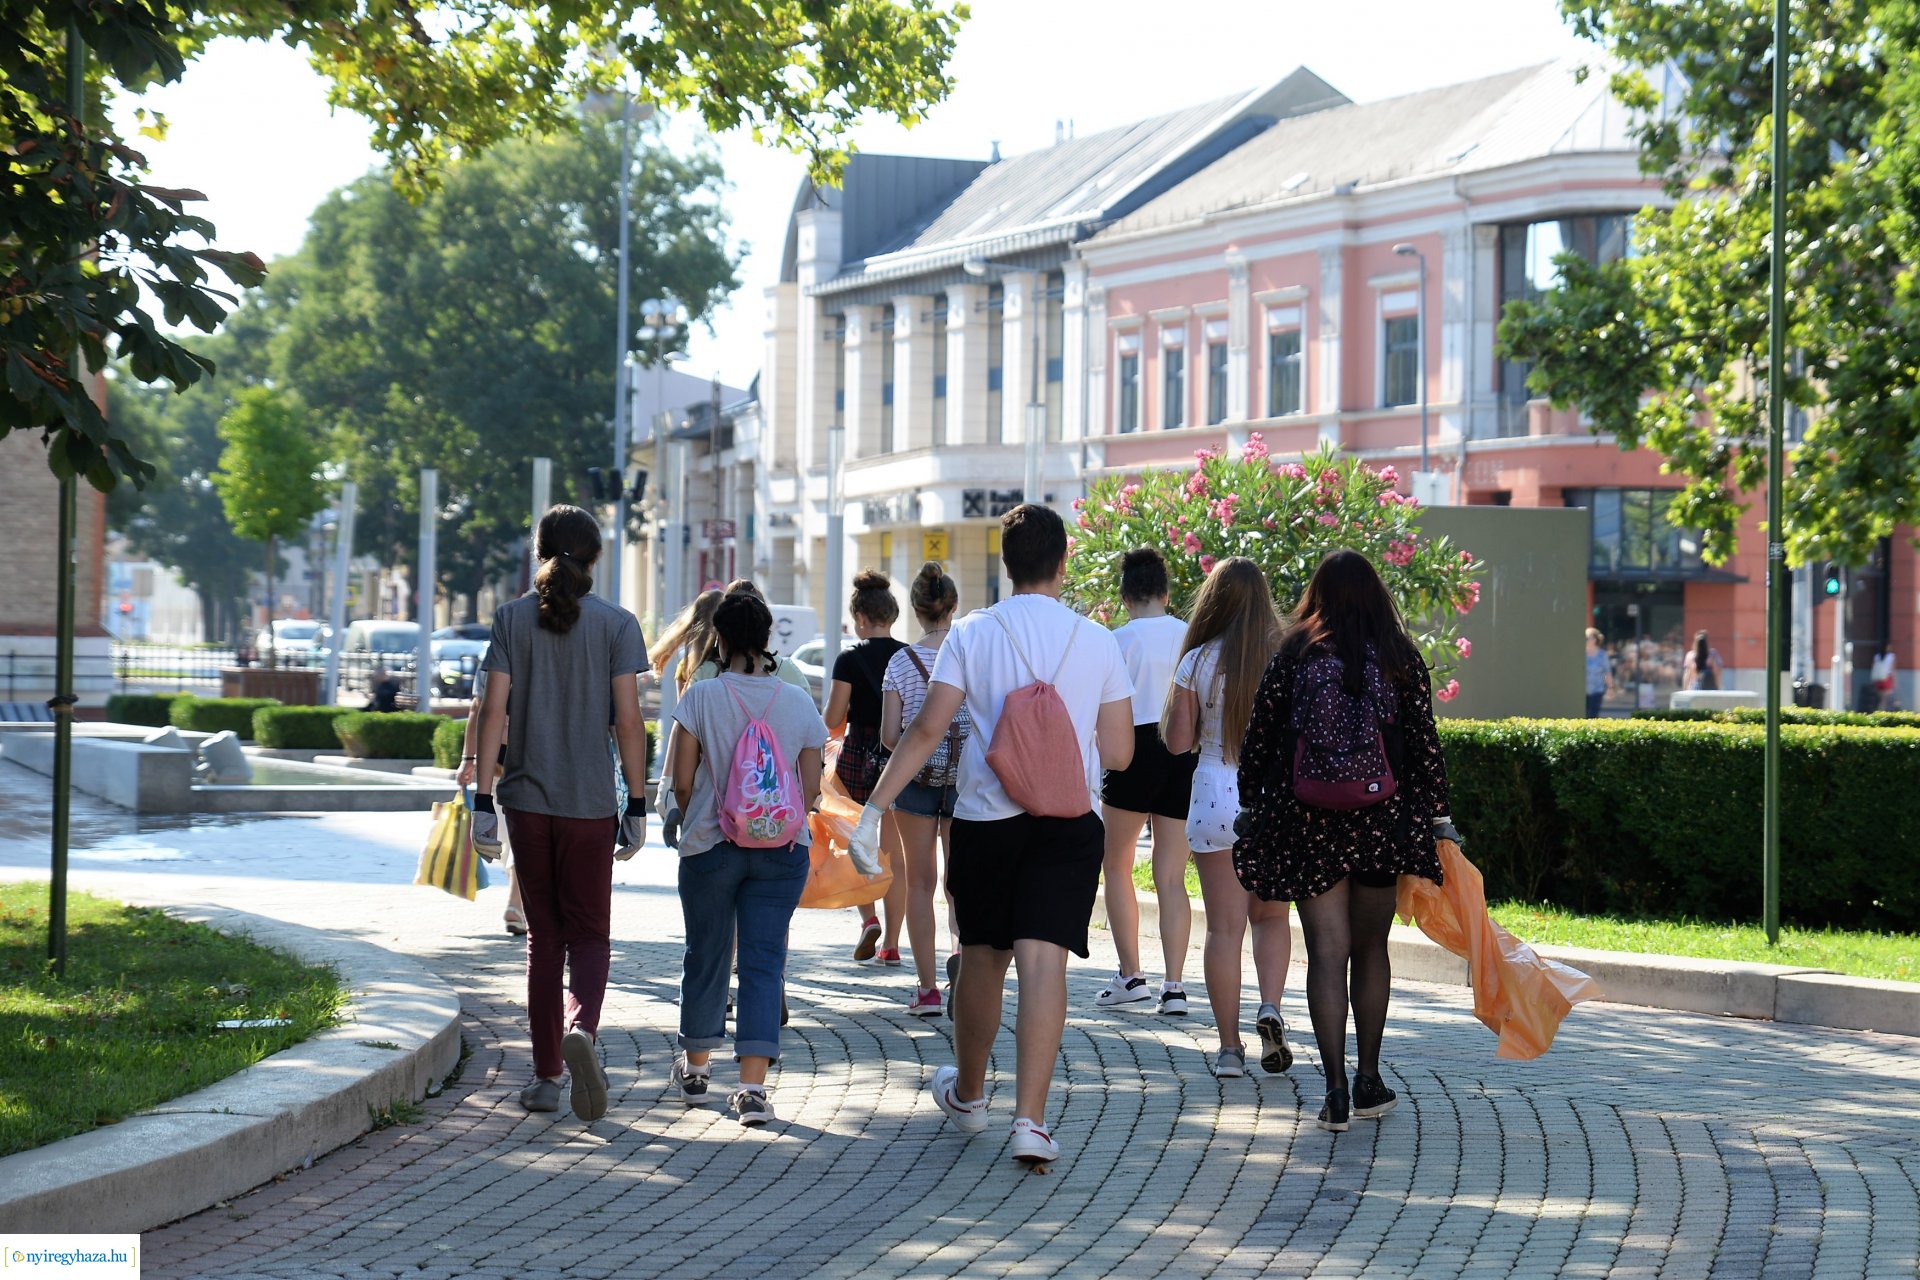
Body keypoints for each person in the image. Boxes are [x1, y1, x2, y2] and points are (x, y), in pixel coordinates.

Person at [851, 504, 1134, 1166]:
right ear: (1064, 563)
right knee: (1045, 964)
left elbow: (925, 732)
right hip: (1070, 824)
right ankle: (1031, 1120)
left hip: (985, 819)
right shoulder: (1097, 640)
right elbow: (1119, 752)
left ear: (1005, 565)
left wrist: (873, 811)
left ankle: (970, 1096)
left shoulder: (974, 632)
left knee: (982, 956)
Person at [1233, 550, 1456, 1133]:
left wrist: (1254, 803)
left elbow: (1259, 739)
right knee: (1370, 951)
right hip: (1382, 819)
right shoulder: (1399, 657)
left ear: (1318, 593)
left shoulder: (1295, 654)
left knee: (1326, 954)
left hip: (1309, 822)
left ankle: (1332, 1093)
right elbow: (1425, 745)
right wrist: (1437, 816)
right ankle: (1368, 1080)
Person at [473, 505, 649, 1122]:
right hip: (592, 805)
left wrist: (481, 802)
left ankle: (547, 1077)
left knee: (544, 941)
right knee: (591, 935)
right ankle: (585, 1031)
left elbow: (493, 713)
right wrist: (639, 803)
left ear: (538, 552)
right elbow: (629, 721)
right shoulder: (618, 625)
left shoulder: (511, 619)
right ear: (596, 558)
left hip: (525, 801)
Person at [667, 592, 828, 1127]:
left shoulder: (702, 696)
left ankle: (695, 1072)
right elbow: (809, 792)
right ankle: (753, 1091)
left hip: (712, 847)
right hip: (781, 852)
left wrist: (702, 817)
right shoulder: (798, 702)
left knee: (707, 954)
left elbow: (683, 781)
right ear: (767, 639)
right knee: (763, 964)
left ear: (721, 638)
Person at [1162, 557, 1292, 1079]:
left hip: (1216, 793)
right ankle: (1271, 1008)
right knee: (1273, 918)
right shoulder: (1286, 654)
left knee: (1224, 930)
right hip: (1274, 802)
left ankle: (1229, 1050)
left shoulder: (1196, 660)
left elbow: (1176, 744)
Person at [1094, 548, 1197, 1016]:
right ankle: (1174, 986)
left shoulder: (1114, 639)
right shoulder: (1190, 636)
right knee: (1171, 875)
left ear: (1124, 596)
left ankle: (1131, 974)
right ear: (1166, 592)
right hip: (1182, 748)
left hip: (1130, 748)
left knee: (1116, 866)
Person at [880, 561, 973, 1017]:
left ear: (915, 611)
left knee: (919, 882)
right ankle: (961, 958)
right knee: (960, 883)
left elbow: (890, 737)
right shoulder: (970, 654)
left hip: (915, 784)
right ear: (953, 608)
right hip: (964, 783)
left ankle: (927, 989)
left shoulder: (901, 661)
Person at [825, 569, 907, 964]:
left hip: (859, 757)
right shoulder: (907, 655)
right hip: (902, 756)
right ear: (891, 616)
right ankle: (892, 943)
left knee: (858, 844)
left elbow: (833, 718)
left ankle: (868, 919)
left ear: (859, 618)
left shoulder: (849, 658)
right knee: (896, 852)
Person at [456, 666, 525, 936]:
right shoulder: (545, 648)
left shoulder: (493, 654)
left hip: (495, 759)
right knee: (523, 835)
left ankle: (517, 902)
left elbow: (478, 709)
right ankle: (516, 903)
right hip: (532, 757)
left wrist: (468, 759)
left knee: (510, 837)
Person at [1584, 628, 1613, 718]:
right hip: (1583, 690)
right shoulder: (1581, 653)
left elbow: (1607, 672)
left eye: (1588, 638)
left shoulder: (1602, 655)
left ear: (1595, 640)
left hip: (1597, 690)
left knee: (1593, 715)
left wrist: (1610, 687)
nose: (1586, 640)